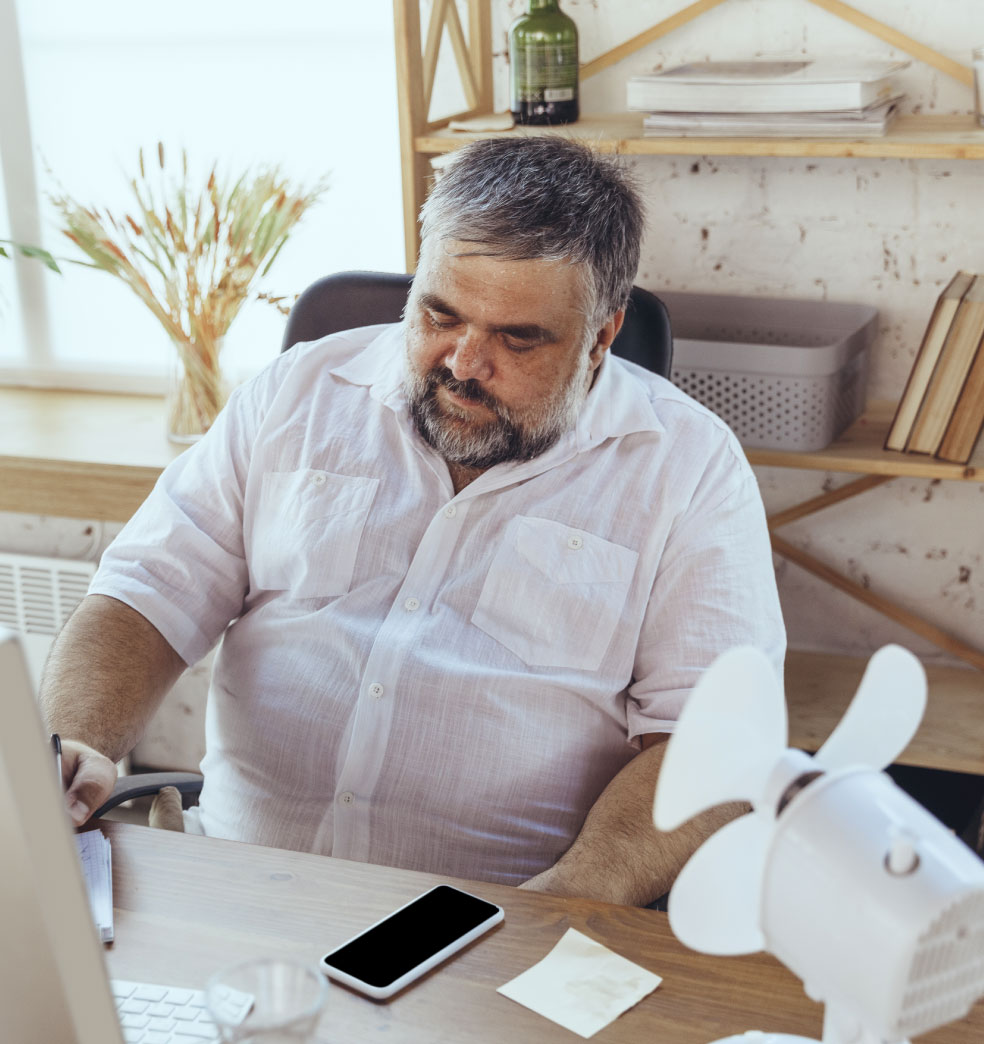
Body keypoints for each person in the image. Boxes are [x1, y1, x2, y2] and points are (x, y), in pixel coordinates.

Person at [40, 137, 785, 906]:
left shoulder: (688, 466)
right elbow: (143, 593)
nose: (463, 363)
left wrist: (563, 906)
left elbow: (714, 740)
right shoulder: (300, 391)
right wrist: (79, 741)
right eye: (440, 314)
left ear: (601, 336)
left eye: (518, 337)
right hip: (242, 887)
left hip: (501, 918)